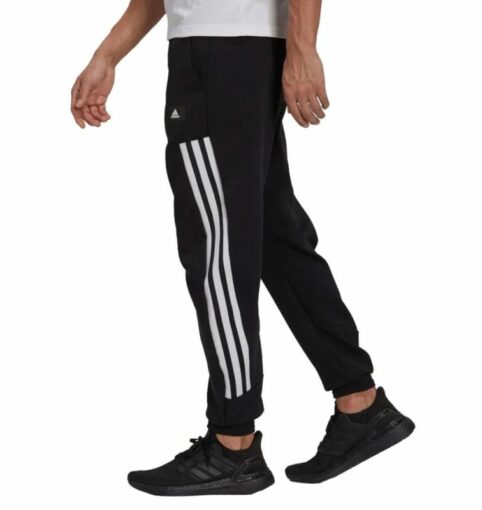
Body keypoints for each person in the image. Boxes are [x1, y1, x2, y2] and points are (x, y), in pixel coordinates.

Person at [71, 0, 415, 496]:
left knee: (217, 251)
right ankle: (360, 403)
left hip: (220, 54)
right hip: (236, 51)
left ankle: (233, 443)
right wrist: (107, 55)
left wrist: (303, 47)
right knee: (275, 238)